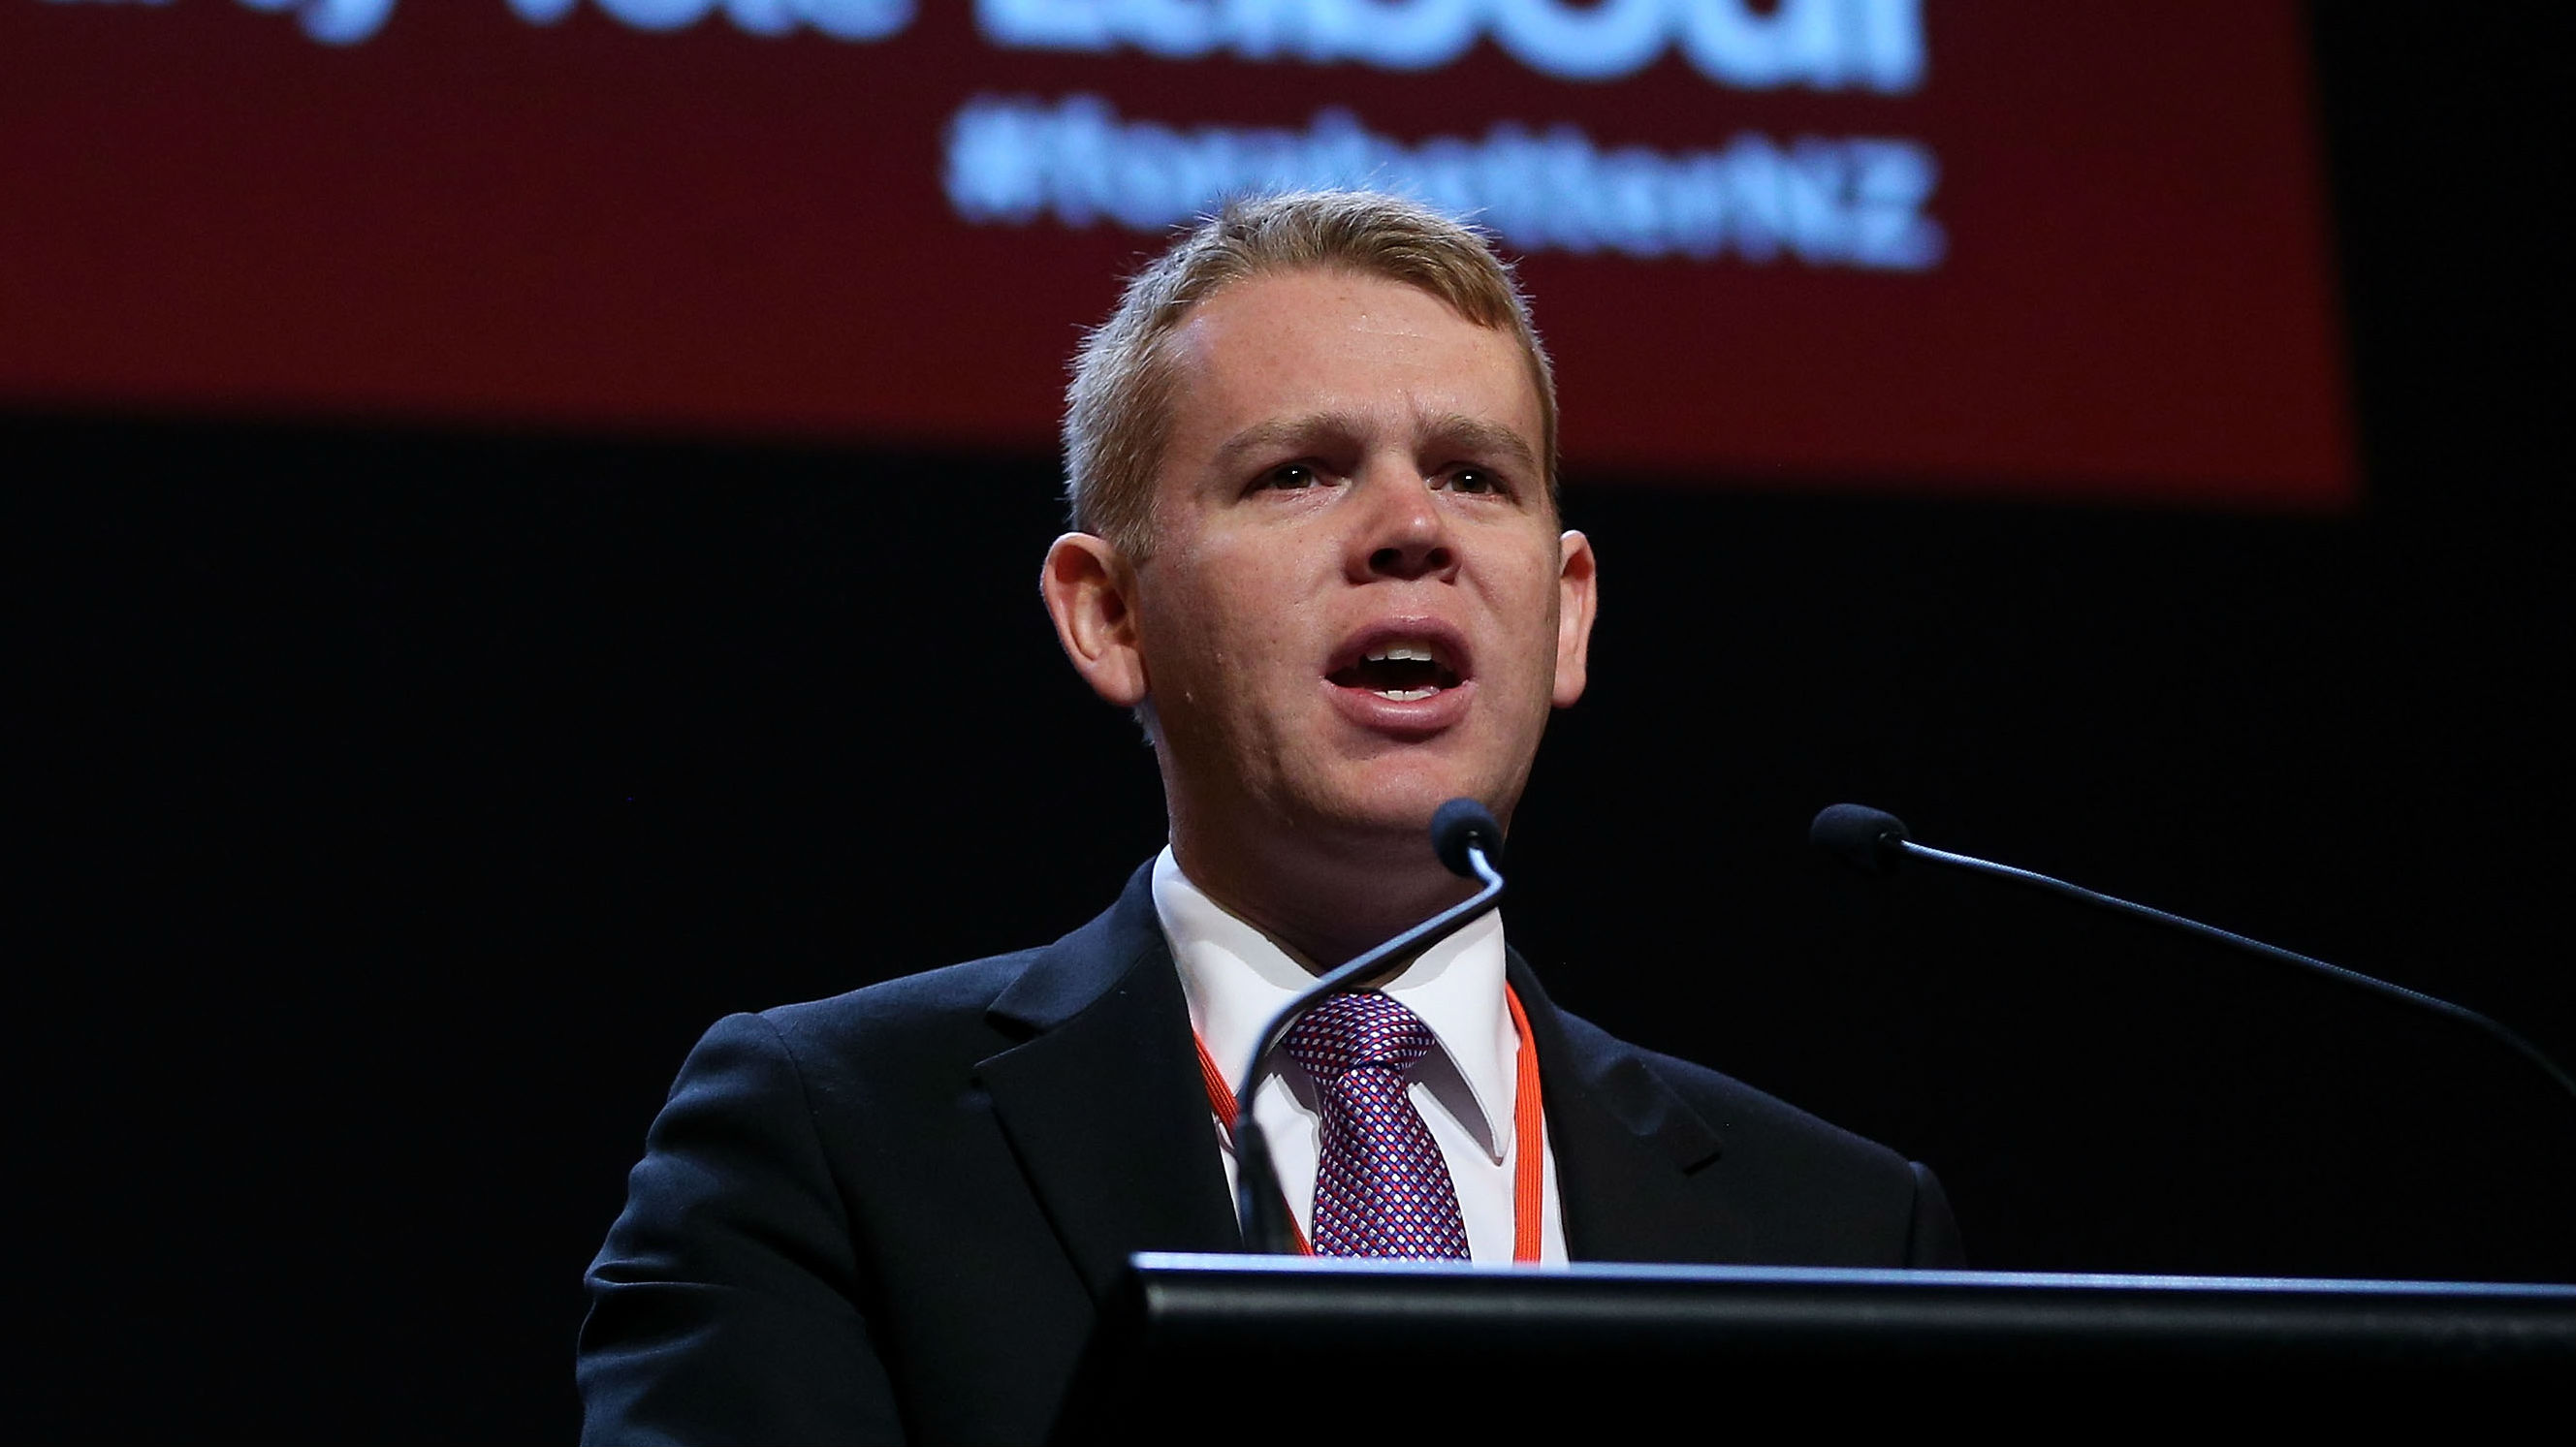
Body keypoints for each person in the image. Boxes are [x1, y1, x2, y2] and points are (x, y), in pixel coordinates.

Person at [578, 190, 1963, 1445]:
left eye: (1475, 474)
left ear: (1568, 611)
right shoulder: (836, 1140)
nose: (1409, 527)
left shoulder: (1837, 1227)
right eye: (1297, 470)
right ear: (1107, 612)